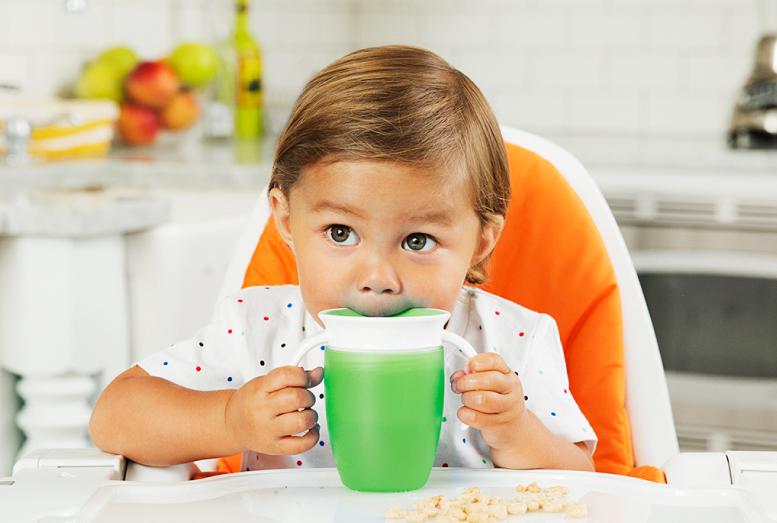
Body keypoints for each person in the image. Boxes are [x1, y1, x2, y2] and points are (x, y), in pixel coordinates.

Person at [90, 45, 596, 473]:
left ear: (483, 240)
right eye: (340, 232)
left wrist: (518, 431)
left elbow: (585, 479)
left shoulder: (512, 345)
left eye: (417, 240)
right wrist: (229, 419)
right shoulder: (256, 332)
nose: (377, 279)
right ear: (285, 222)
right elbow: (114, 417)